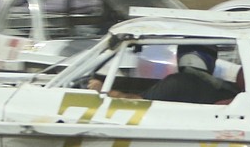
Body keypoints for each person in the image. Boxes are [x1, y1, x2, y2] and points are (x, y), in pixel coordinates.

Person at [90, 45, 238, 105]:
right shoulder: (224, 88)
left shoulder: (178, 82)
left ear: (181, 58)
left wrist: (104, 91)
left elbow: (138, 103)